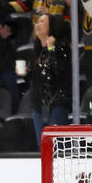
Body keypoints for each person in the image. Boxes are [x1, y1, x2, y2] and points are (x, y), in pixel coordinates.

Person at [30, 14, 72, 143]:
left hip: (57, 102)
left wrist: (51, 49)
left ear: (51, 27)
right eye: (37, 21)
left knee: (58, 146)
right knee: (41, 144)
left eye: (42, 21)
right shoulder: (36, 49)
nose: (37, 24)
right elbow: (35, 79)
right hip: (38, 104)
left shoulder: (62, 48)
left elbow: (58, 72)